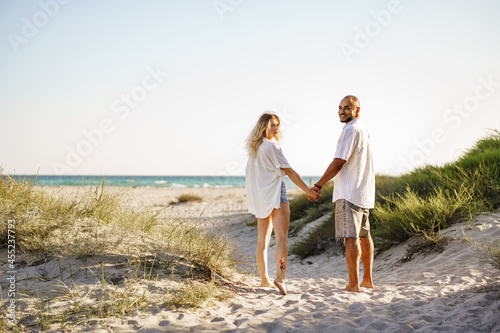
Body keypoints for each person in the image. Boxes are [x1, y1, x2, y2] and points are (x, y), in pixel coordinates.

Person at [245, 112, 319, 295]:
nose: (276, 128)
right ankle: (280, 278)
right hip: (277, 194)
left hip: (261, 198)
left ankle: (264, 280)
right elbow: (290, 172)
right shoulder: (272, 146)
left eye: (277, 124)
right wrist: (308, 191)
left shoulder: (254, 149)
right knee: (282, 238)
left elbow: (256, 176)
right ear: (263, 127)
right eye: (272, 125)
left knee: (262, 241)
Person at [311, 95, 375, 292]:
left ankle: (353, 285)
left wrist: (319, 185)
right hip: (363, 192)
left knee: (351, 238)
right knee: (365, 236)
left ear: (357, 109)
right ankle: (367, 280)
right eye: (340, 108)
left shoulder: (350, 130)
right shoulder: (364, 129)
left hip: (349, 192)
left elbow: (339, 161)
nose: (342, 111)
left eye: (347, 107)